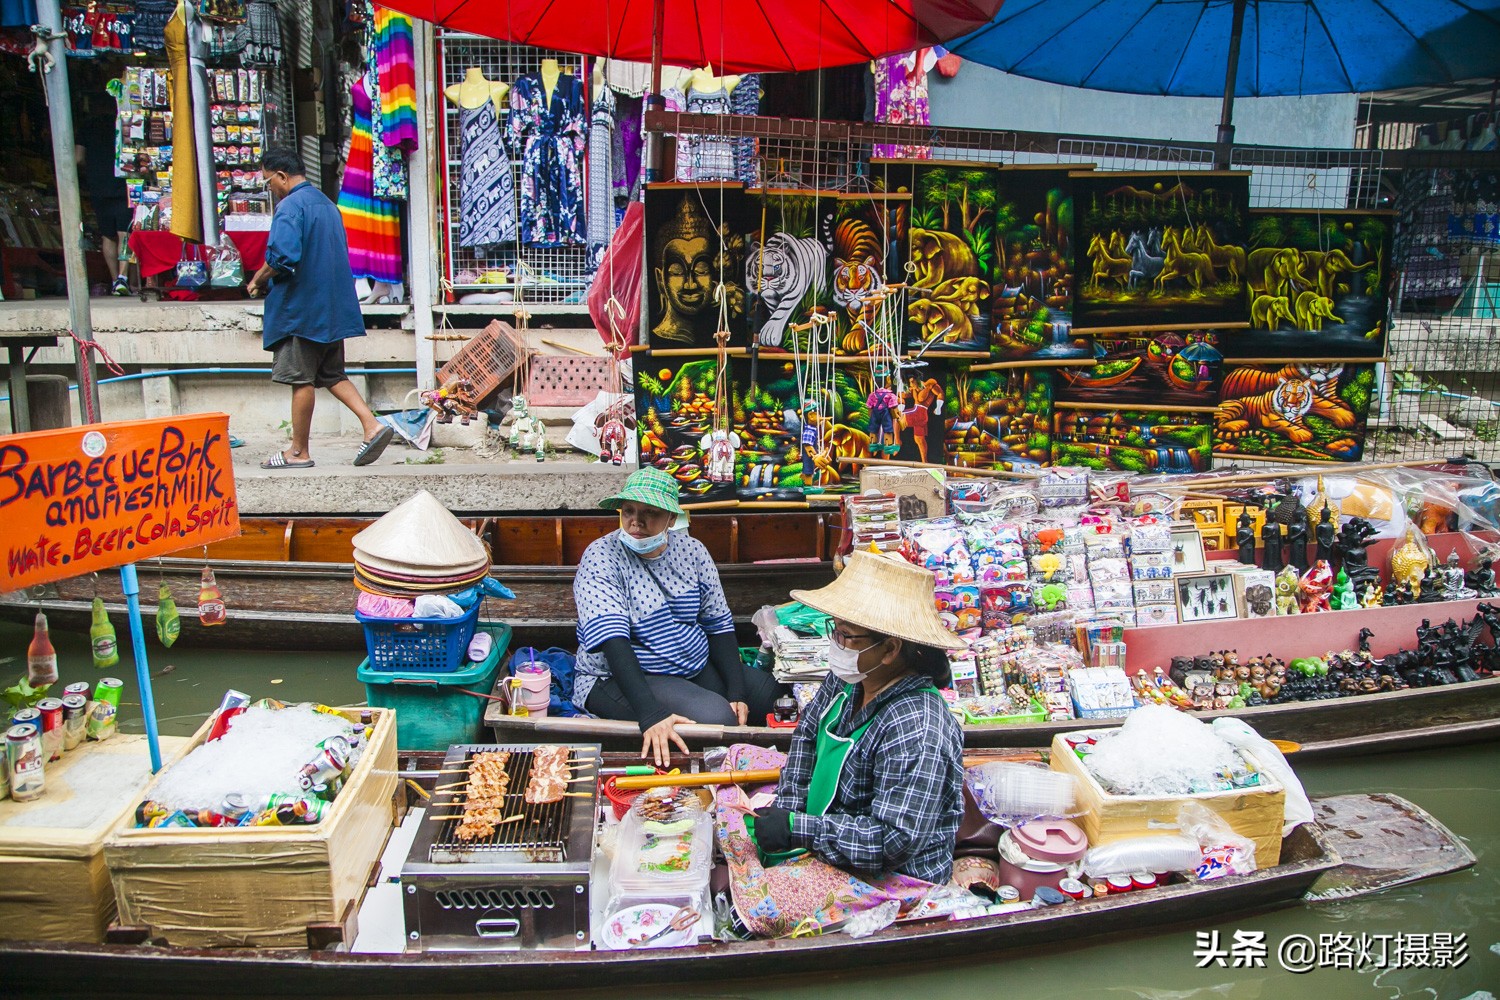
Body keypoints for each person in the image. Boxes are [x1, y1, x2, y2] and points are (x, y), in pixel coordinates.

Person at [748, 550, 965, 884]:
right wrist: (788, 809)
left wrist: (799, 830)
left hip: (893, 879)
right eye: (834, 630)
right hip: (824, 842)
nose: (836, 644)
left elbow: (893, 840)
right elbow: (807, 736)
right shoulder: (850, 678)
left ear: (890, 649)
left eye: (845, 635)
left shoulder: (917, 726)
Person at [573, 467, 785, 764]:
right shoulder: (601, 556)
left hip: (689, 662)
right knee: (718, 719)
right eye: (629, 511)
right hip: (620, 675)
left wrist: (737, 692)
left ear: (672, 518)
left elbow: (718, 624)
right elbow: (613, 642)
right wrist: (650, 714)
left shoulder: (693, 551)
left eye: (650, 513)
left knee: (773, 696)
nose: (636, 521)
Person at [247, 147, 393, 470]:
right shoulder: (328, 205)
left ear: (282, 176)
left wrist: (258, 278)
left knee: (302, 380)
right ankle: (372, 425)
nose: (270, 188)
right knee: (332, 374)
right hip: (331, 307)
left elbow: (283, 256)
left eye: (268, 181)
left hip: (301, 310)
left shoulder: (290, 206)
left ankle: (298, 451)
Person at [75, 107, 131, 295]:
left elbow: (78, 158)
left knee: (107, 235)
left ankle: (114, 279)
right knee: (124, 233)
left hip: (98, 185)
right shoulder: (123, 123)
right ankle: (123, 279)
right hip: (123, 182)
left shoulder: (87, 127)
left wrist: (92, 167)